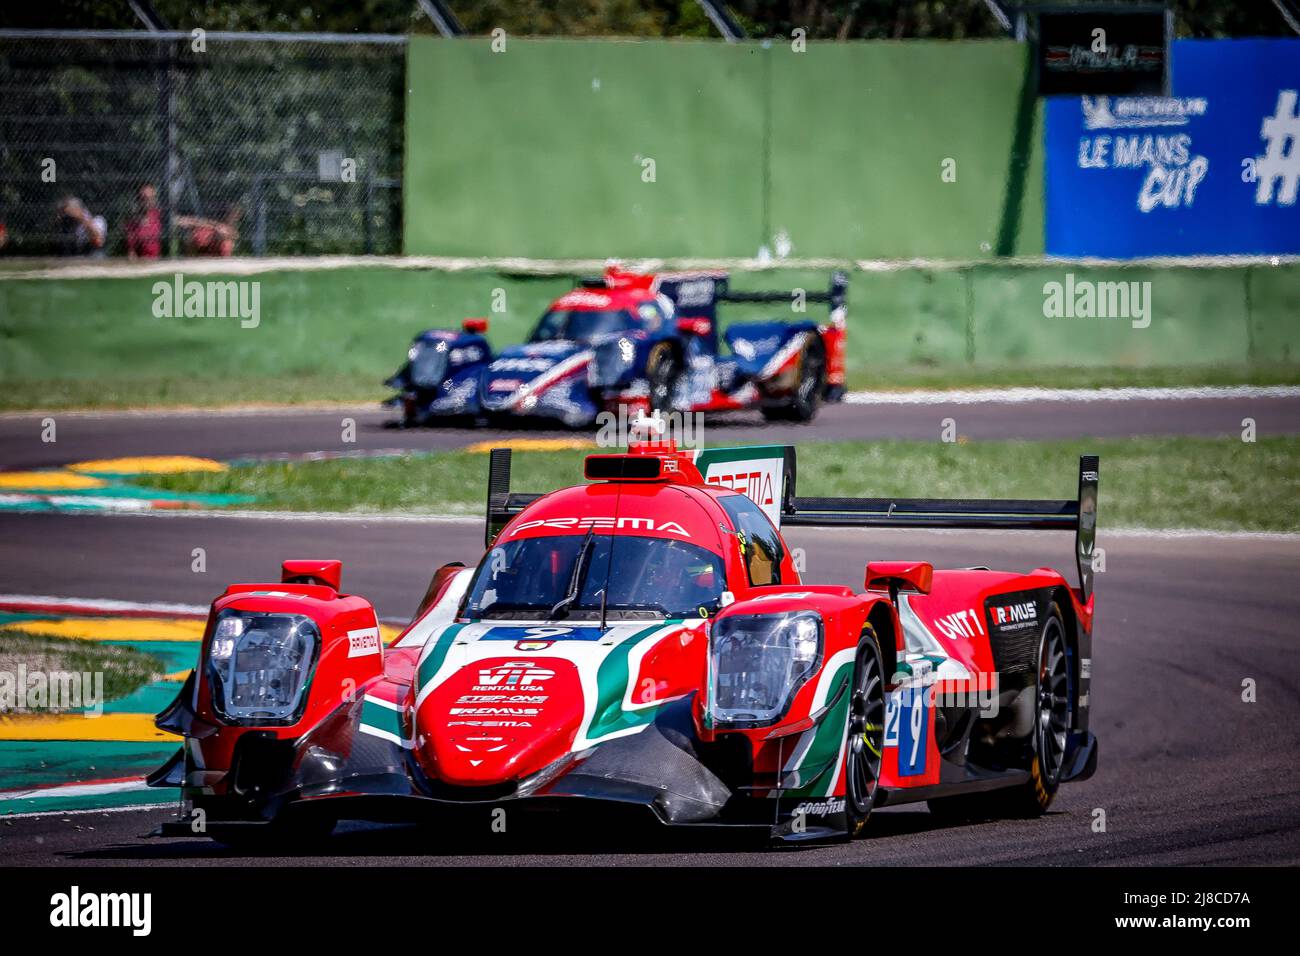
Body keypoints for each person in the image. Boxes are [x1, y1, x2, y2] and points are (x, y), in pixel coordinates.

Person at [175, 203, 240, 257]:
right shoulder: (208, 225)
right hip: (202, 242)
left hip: (214, 244)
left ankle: (222, 262)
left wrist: (215, 228)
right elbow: (180, 221)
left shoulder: (224, 228)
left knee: (224, 239)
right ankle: (190, 260)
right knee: (190, 238)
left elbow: (235, 235)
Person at [125, 184, 162, 259]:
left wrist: (192, 221)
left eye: (150, 198)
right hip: (142, 261)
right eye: (143, 198)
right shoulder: (133, 221)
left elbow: (175, 220)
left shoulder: (159, 214)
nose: (147, 201)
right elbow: (132, 251)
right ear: (139, 200)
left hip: (159, 259)